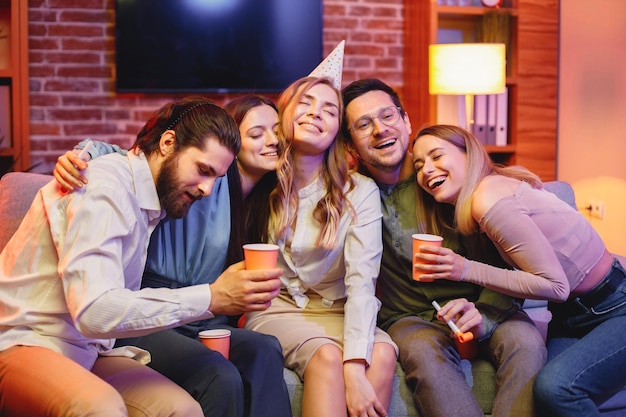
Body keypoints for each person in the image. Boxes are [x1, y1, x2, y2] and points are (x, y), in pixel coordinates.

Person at [0, 97, 285, 417]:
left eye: (215, 179)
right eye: (203, 170)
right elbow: (94, 311)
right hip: (27, 342)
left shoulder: (152, 202)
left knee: (184, 409)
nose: (207, 189)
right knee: (100, 407)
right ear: (167, 143)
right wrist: (212, 297)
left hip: (88, 350)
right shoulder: (106, 185)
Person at [340, 78, 547, 417]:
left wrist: (486, 312)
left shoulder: (442, 178)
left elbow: (513, 261)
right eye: (364, 124)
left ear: (406, 122)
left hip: (485, 301)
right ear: (350, 146)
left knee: (525, 342)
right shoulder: (351, 194)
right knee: (423, 352)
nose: (380, 129)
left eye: (388, 116)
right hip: (410, 318)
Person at [410, 123, 626, 417]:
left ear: (468, 154)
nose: (427, 170)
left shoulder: (488, 200)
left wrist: (464, 269)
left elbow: (556, 286)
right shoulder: (488, 191)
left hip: (614, 306)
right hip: (574, 315)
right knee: (541, 395)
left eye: (437, 156)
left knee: (557, 389)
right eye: (419, 165)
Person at [243, 76, 398, 417]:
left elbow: (362, 280)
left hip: (337, 309)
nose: (315, 114)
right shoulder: (260, 175)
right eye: (306, 103)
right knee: (327, 356)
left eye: (329, 110)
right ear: (283, 115)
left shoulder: (359, 191)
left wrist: (355, 366)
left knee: (384, 354)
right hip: (276, 307)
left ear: (336, 133)